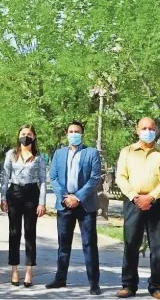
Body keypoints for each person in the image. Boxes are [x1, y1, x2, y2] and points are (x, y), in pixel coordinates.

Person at [115, 117, 160, 299]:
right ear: (137, 130)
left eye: (151, 128)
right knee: (131, 244)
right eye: (144, 128)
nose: (147, 131)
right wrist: (135, 196)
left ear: (156, 130)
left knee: (157, 247)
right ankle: (129, 285)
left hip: (155, 202)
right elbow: (121, 177)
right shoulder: (127, 152)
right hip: (133, 201)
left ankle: (157, 287)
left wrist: (151, 197)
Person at [46, 121, 101, 295]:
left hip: (85, 205)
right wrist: (65, 197)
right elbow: (53, 177)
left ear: (82, 134)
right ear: (66, 134)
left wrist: (77, 197)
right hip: (64, 205)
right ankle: (60, 278)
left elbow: (94, 178)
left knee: (89, 244)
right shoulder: (59, 154)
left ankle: (94, 283)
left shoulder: (91, 153)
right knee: (64, 245)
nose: (74, 134)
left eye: (77, 131)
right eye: (71, 131)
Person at [0, 124, 46, 287]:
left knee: (30, 233)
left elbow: (42, 180)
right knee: (14, 232)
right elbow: (5, 177)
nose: (26, 136)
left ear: (34, 137)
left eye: (29, 134)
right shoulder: (11, 154)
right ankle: (14, 270)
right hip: (15, 194)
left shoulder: (39, 156)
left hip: (31, 194)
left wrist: (42, 202)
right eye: (23, 133)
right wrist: (3, 198)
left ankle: (28, 272)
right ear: (18, 135)